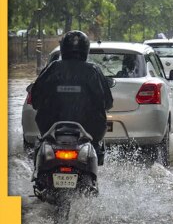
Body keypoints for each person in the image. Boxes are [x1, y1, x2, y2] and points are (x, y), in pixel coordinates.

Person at [31, 30, 113, 165]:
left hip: (50, 129)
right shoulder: (93, 70)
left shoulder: (52, 68)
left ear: (63, 49)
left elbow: (35, 98)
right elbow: (108, 102)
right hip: (90, 132)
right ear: (86, 50)